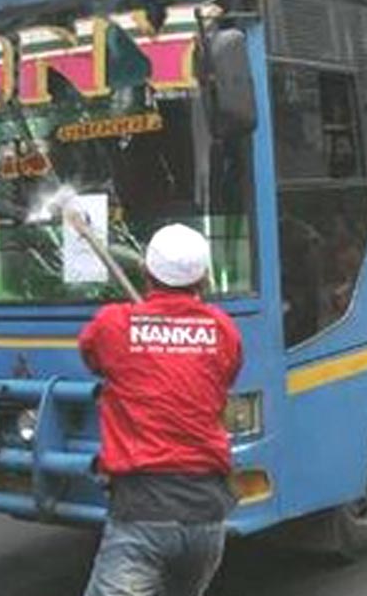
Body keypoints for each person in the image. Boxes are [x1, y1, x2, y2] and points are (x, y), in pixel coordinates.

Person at [79, 223, 243, 596]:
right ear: (202, 277)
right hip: (207, 518)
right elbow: (225, 376)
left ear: (146, 272)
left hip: (143, 515)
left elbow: (91, 356)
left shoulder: (113, 324)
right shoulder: (223, 329)